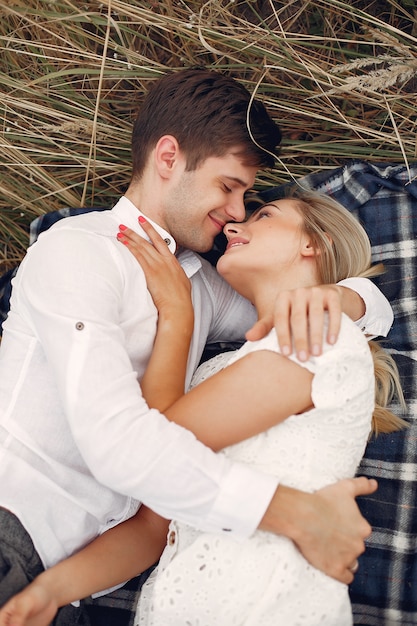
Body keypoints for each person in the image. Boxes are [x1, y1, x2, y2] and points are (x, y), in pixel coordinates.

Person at [0, 68, 392, 623]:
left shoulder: (202, 286)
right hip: (13, 526)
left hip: (74, 578)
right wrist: (295, 514)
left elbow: (298, 316)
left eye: (250, 201)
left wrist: (345, 296)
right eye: (229, 187)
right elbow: (117, 446)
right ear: (168, 157)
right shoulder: (78, 253)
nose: (236, 213)